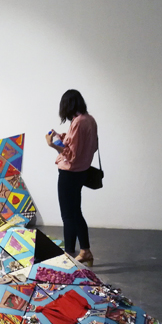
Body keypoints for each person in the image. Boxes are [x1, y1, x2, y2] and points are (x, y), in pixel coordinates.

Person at [45, 89, 98, 266]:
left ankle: (71, 253)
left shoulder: (78, 122)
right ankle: (82, 251)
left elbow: (71, 155)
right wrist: (63, 138)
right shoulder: (89, 119)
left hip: (70, 172)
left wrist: (53, 145)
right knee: (75, 212)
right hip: (82, 172)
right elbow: (89, 146)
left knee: (69, 214)